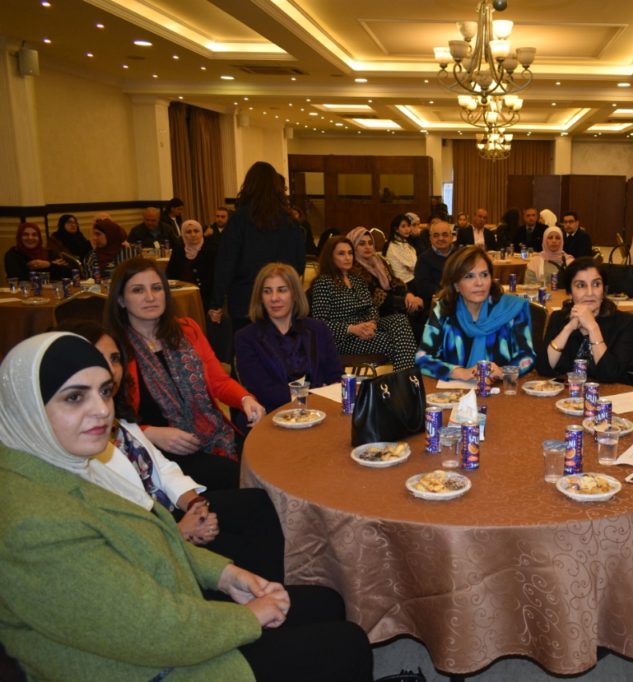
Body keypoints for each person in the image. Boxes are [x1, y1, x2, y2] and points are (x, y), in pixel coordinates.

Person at [0, 332, 373, 681]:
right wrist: (248, 617)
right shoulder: (33, 523)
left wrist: (226, 575)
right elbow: (152, 633)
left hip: (163, 613)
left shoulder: (66, 462)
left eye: (105, 391)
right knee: (347, 645)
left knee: (326, 602)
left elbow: (150, 537)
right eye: (74, 398)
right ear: (27, 407)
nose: (101, 410)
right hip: (152, 666)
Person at [56, 318, 287, 581]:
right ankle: (262, 590)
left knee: (258, 501)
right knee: (246, 538)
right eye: (99, 359)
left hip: (171, 503)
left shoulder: (119, 417)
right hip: (155, 533)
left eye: (115, 359)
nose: (110, 369)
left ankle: (275, 585)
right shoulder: (79, 435)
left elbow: (162, 468)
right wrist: (179, 531)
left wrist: (195, 504)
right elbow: (119, 526)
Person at [105, 258, 266, 490]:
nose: (150, 297)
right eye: (138, 290)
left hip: (214, 436)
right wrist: (150, 434)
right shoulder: (114, 349)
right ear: (121, 299)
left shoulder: (187, 330)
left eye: (157, 288)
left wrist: (245, 399)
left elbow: (218, 381)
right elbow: (107, 418)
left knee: (268, 464)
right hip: (160, 453)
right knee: (249, 482)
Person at [210, 162, 306, 332]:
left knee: (247, 346)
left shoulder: (238, 220)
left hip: (245, 300)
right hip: (281, 299)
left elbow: (225, 264)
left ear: (248, 186)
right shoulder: (291, 222)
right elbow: (299, 265)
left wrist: (216, 302)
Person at [416, 246, 535, 381]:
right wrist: (461, 373)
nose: (479, 283)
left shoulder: (512, 309)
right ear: (456, 285)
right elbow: (422, 358)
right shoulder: (444, 310)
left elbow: (527, 357)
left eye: (484, 275)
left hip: (501, 389)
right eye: (469, 276)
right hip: (455, 391)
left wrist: (503, 372)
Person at [237, 262, 344, 411]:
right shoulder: (246, 337)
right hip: (273, 414)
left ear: (294, 294)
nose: (274, 298)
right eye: (267, 291)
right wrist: (315, 393)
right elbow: (263, 390)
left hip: (321, 411)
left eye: (282, 290)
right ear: (260, 297)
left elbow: (335, 376)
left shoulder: (319, 329)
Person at [310, 237, 417, 370]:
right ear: (330, 257)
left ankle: (404, 377)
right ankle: (405, 378)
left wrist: (371, 323)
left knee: (400, 319)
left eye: (350, 253)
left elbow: (371, 307)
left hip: (366, 327)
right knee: (394, 342)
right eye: (341, 254)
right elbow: (320, 324)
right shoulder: (323, 283)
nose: (347, 257)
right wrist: (353, 329)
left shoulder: (357, 279)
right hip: (343, 338)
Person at [538, 258, 633, 383]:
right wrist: (568, 329)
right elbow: (543, 368)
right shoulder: (559, 318)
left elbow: (611, 376)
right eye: (581, 285)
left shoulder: (625, 323)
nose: (590, 292)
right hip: (567, 393)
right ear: (569, 292)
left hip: (608, 394)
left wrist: (593, 328)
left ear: (604, 290)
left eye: (596, 284)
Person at [347, 226, 424, 318]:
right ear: (353, 246)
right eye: (362, 244)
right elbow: (375, 296)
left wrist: (408, 295)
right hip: (373, 313)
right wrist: (405, 302)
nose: (367, 247)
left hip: (392, 304)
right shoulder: (353, 269)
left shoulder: (379, 261)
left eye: (370, 243)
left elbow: (394, 282)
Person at [166, 219, 218, 308]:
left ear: (201, 232)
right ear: (183, 234)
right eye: (188, 232)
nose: (193, 234)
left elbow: (214, 278)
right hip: (180, 291)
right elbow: (170, 273)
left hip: (204, 295)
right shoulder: (178, 249)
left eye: (196, 231)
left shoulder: (211, 249)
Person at [410, 220, 458, 307]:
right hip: (437, 303)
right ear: (430, 239)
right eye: (436, 235)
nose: (441, 238)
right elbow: (423, 287)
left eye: (445, 235)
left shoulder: (460, 254)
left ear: (451, 237)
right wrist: (449, 292)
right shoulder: (424, 259)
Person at [384, 213, 418, 284]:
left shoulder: (403, 242)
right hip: (405, 282)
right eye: (403, 226)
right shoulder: (395, 246)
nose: (407, 229)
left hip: (411, 278)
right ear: (396, 229)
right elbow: (413, 266)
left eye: (408, 226)